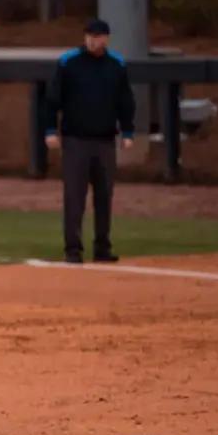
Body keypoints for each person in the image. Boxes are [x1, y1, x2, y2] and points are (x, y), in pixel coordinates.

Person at [44, 18, 136, 264]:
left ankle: (102, 247)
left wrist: (127, 132)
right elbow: (53, 99)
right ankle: (73, 249)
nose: (94, 40)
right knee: (74, 196)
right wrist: (51, 129)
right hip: (76, 140)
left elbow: (125, 100)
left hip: (105, 140)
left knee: (105, 196)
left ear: (106, 38)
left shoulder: (116, 64)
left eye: (98, 36)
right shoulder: (68, 62)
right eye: (90, 36)